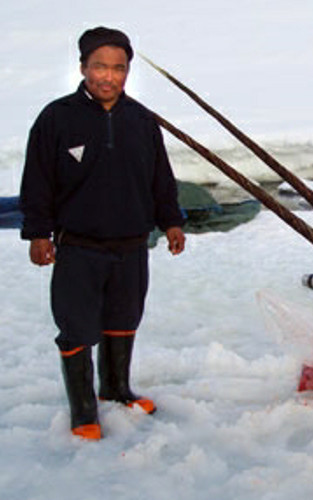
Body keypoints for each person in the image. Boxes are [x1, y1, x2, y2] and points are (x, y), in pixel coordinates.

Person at [19, 26, 186, 441]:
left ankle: (116, 389)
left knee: (124, 319)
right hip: (79, 248)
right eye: (98, 66)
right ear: (82, 67)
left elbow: (160, 178)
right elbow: (37, 181)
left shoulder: (141, 121)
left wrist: (172, 220)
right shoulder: (57, 118)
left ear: (127, 72)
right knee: (76, 328)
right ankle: (83, 410)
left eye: (117, 68)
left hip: (131, 247)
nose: (107, 76)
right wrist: (38, 234)